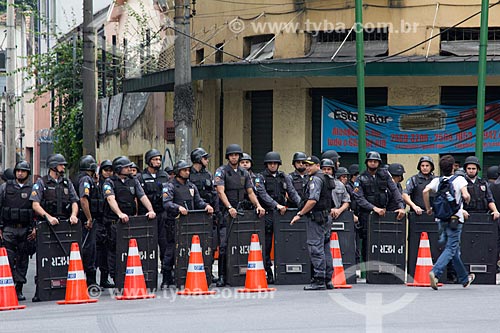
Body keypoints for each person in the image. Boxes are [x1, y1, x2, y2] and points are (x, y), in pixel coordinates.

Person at [30, 153, 80, 302]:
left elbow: (75, 201)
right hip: (47, 226)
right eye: (61, 164)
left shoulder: (66, 183)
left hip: (65, 225)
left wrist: (74, 214)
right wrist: (48, 217)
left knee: (65, 258)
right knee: (45, 259)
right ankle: (41, 290)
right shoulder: (42, 183)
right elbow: (35, 204)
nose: (63, 167)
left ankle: (67, 288)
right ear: (53, 166)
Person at [214, 144, 265, 287]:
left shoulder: (244, 173)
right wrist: (229, 207)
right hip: (226, 212)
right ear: (228, 157)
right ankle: (222, 276)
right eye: (231, 155)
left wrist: (258, 206)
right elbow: (220, 191)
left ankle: (238, 274)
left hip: (241, 212)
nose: (234, 157)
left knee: (241, 243)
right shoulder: (221, 171)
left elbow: (250, 192)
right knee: (224, 245)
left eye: (236, 155)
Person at [423, 154, 475, 290]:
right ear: (453, 167)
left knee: (454, 250)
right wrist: (467, 200)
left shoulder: (437, 181)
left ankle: (464, 279)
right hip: (455, 219)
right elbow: (465, 195)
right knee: (451, 248)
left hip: (441, 219)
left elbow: (425, 191)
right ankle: (436, 272)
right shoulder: (459, 180)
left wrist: (429, 208)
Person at [102, 156, 156, 282]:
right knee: (115, 250)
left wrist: (150, 210)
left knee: (132, 248)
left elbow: (142, 196)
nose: (129, 169)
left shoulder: (133, 181)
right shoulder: (109, 182)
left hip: (130, 221)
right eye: (126, 167)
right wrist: (119, 213)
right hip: (115, 222)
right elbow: (110, 198)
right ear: (119, 168)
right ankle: (116, 276)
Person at [162, 160, 214, 288]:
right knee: (171, 250)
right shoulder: (169, 186)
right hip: (174, 222)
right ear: (177, 172)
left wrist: (206, 206)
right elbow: (166, 203)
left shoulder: (191, 186)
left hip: (190, 223)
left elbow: (198, 201)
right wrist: (178, 208)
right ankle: (166, 277)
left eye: (188, 170)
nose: (187, 172)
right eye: (184, 170)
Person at [254, 151, 301, 284]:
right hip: (268, 214)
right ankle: (268, 272)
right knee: (267, 245)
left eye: (275, 163)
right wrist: (276, 205)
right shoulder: (260, 177)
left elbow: (292, 192)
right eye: (270, 163)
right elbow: (262, 194)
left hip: (282, 214)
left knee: (284, 243)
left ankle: (283, 273)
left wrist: (302, 206)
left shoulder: (283, 176)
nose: (273, 165)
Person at [290, 156, 335, 290]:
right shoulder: (326, 178)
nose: (307, 168)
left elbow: (312, 200)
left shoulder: (315, 179)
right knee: (325, 248)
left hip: (317, 218)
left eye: (310, 165)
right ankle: (328, 279)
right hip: (325, 217)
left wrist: (300, 214)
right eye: (305, 165)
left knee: (315, 248)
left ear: (317, 166)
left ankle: (319, 280)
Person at [353, 151, 405, 264]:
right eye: (371, 161)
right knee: (368, 241)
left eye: (375, 161)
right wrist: (373, 208)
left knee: (384, 240)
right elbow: (359, 198)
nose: (373, 163)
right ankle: (368, 270)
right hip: (367, 215)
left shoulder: (385, 175)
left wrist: (401, 206)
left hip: (383, 213)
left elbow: (395, 191)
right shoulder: (360, 178)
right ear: (367, 162)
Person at [0, 161, 34, 301]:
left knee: (22, 259)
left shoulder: (32, 188)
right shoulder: (5, 187)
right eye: (18, 171)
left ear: (27, 173)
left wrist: (35, 228)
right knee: (8, 258)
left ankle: (19, 287)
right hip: (9, 229)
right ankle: (8, 285)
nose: (20, 173)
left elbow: (36, 209)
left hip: (25, 230)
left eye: (23, 171)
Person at [137, 149, 170, 289]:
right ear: (149, 160)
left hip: (162, 214)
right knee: (148, 247)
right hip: (147, 216)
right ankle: (147, 278)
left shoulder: (165, 176)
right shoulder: (141, 177)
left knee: (165, 245)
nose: (157, 162)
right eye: (155, 159)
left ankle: (167, 277)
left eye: (159, 159)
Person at [189, 147, 219, 286]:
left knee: (211, 244)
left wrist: (216, 212)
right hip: (194, 214)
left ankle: (208, 271)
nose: (207, 161)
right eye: (205, 158)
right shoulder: (188, 174)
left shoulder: (208, 175)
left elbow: (214, 194)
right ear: (198, 159)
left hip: (208, 213)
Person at [75, 155, 100, 289]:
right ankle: (90, 281)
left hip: (84, 220)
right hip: (86, 221)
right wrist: (89, 218)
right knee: (89, 250)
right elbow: (84, 200)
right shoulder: (85, 179)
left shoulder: (83, 178)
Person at [95, 159, 114, 288]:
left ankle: (104, 278)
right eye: (106, 170)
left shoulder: (112, 184)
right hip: (98, 221)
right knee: (97, 252)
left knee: (108, 252)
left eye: (110, 170)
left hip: (108, 221)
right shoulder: (96, 184)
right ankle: (92, 279)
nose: (108, 173)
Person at [462, 156, 500, 220]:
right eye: (469, 168)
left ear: (477, 169)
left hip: (483, 215)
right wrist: (461, 211)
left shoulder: (483, 183)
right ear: (465, 169)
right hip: (467, 215)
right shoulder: (461, 182)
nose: (471, 171)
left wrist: (495, 211)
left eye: (473, 169)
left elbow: (489, 199)